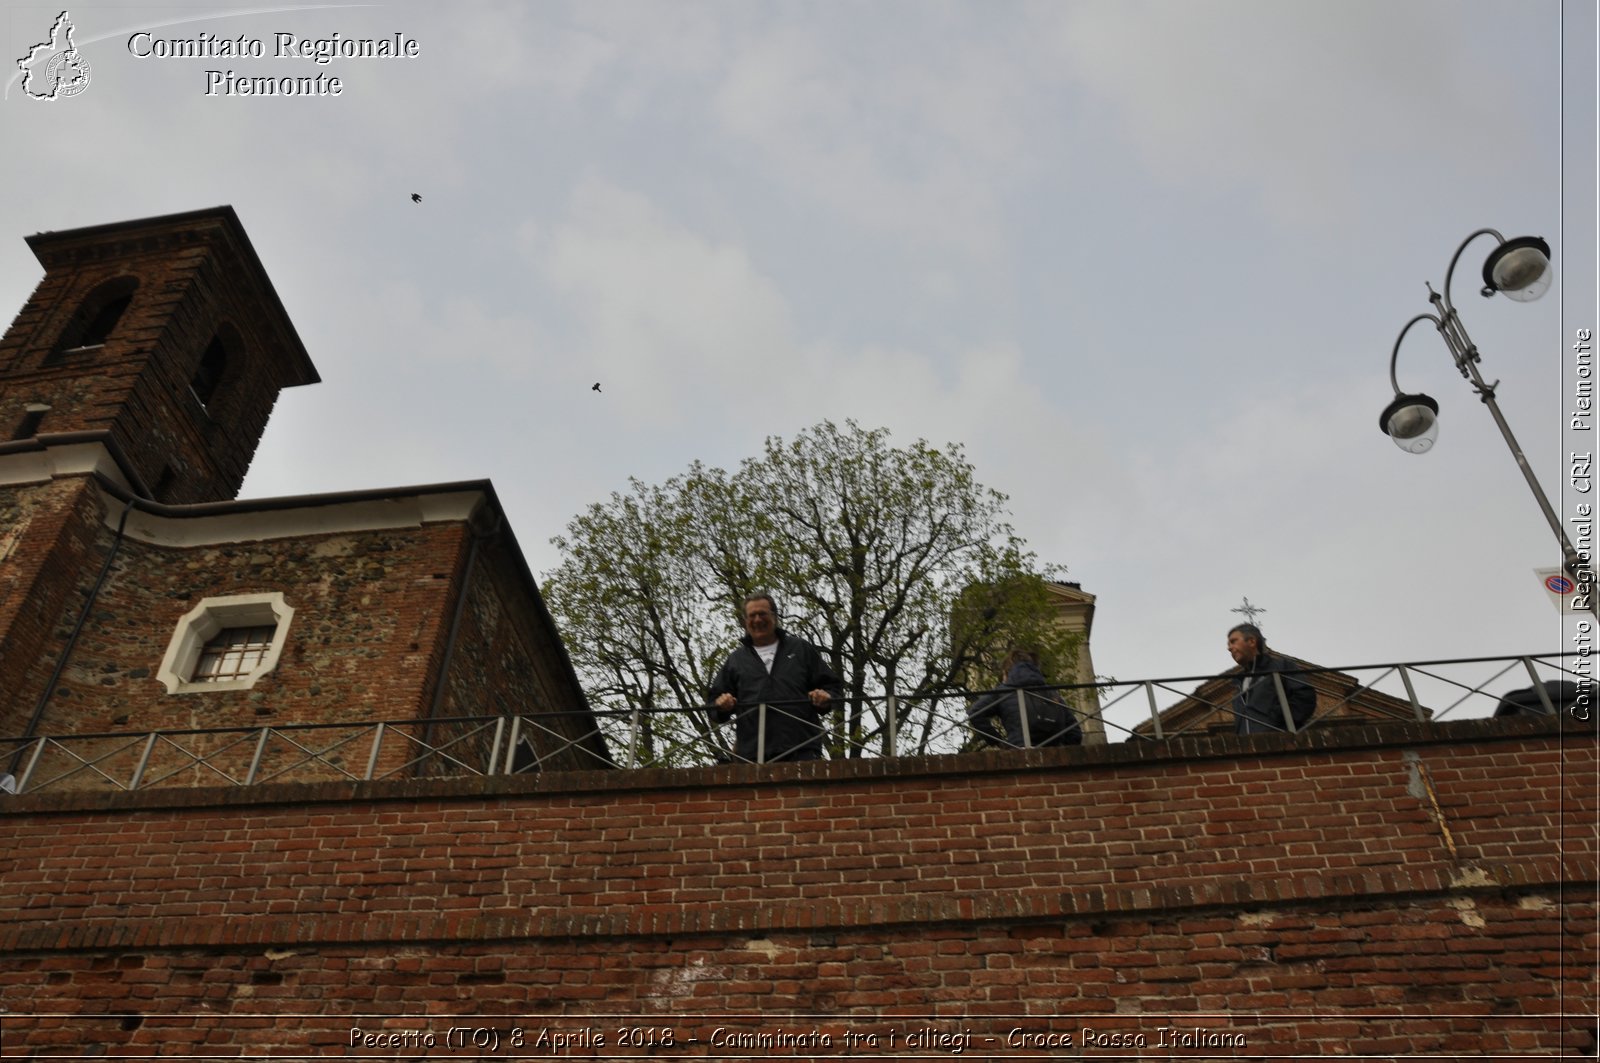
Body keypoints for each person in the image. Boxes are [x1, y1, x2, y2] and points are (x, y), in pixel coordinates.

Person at [708, 593, 843, 763]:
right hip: (751, 755)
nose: (757, 620)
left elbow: (833, 686)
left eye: (762, 614)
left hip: (801, 750)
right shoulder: (736, 659)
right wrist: (721, 706)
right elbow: (713, 703)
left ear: (774, 616)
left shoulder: (800, 649)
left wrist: (826, 698)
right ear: (745, 621)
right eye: (752, 615)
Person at [967, 648, 1082, 749]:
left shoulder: (1004, 691)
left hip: (1019, 753)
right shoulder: (1053, 693)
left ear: (1006, 673)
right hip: (1055, 758)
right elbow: (1075, 733)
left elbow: (975, 712)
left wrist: (999, 742)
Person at [1226, 623, 1316, 735]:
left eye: (1233, 641)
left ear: (1251, 641)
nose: (1229, 648)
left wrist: (1278, 721)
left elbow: (1304, 696)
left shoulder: (1281, 666)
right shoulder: (1238, 683)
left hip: (1280, 741)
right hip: (1248, 747)